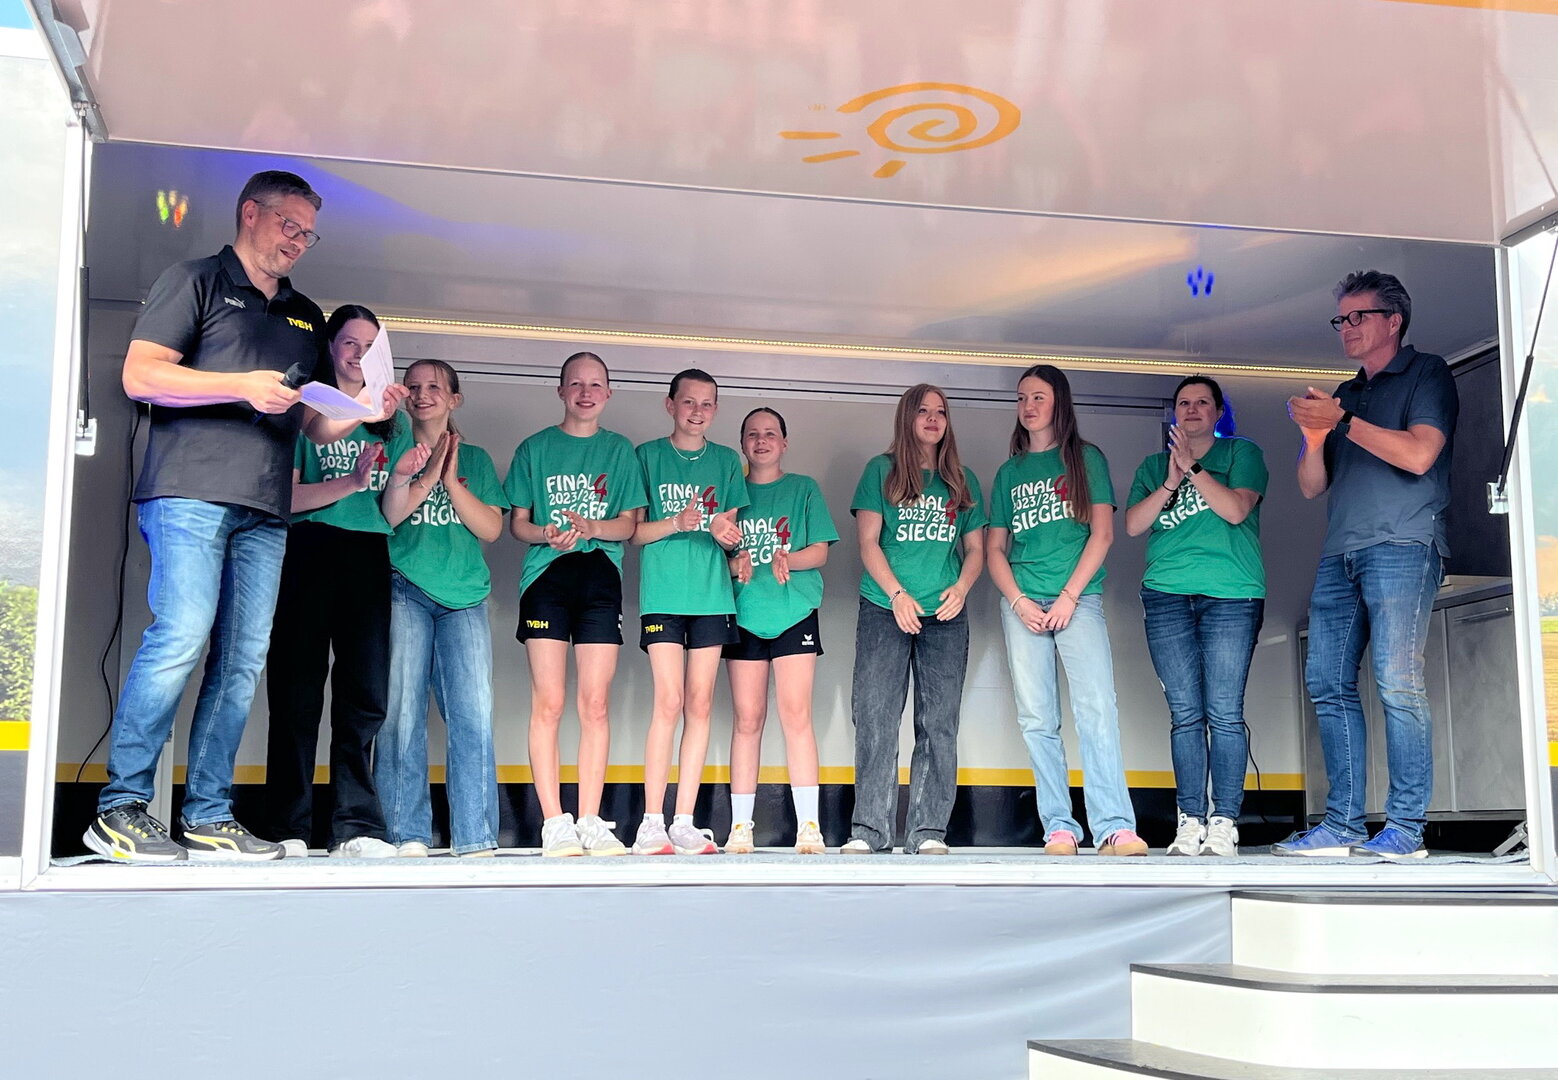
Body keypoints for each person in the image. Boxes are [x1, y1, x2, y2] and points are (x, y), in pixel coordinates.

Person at [85, 170, 405, 864]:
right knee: (181, 636)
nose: (298, 241)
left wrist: (363, 411)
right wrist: (240, 386)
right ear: (250, 213)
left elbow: (313, 424)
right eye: (289, 225)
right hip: (191, 494)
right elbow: (141, 375)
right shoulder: (195, 280)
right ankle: (120, 808)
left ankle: (207, 814)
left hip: (266, 511)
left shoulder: (306, 315)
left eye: (308, 233)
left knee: (241, 662)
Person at [1277, 270, 1457, 860]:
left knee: (1398, 682)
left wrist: (1342, 422)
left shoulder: (1427, 372)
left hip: (1404, 544)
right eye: (1341, 318)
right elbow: (1311, 486)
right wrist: (1313, 437)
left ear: (1393, 320)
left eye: (1359, 316)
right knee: (1326, 682)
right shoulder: (1345, 394)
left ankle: (1405, 828)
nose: (1346, 327)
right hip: (1341, 552)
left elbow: (1420, 454)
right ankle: (1343, 824)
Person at [986, 365, 1146, 857]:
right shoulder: (1010, 472)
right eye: (1022, 398)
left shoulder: (1085, 459)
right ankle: (1059, 827)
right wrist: (1018, 601)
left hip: (1077, 600)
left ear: (1059, 402)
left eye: (1038, 396)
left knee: (1096, 709)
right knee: (1037, 718)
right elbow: (995, 549)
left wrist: (1070, 596)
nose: (1028, 406)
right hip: (1023, 605)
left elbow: (1103, 534)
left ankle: (1114, 827)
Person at [264, 305, 406, 859]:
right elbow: (285, 496)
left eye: (370, 346)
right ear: (330, 346)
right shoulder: (309, 406)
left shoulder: (387, 421)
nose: (358, 354)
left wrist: (410, 475)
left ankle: (356, 826)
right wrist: (348, 483)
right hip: (308, 548)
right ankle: (288, 826)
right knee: (296, 691)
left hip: (368, 553)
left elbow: (389, 511)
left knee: (364, 693)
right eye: (349, 342)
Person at [504, 352, 646, 857]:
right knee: (549, 701)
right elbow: (517, 524)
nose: (586, 393)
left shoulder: (619, 450)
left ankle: (589, 819)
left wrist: (591, 527)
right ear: (561, 390)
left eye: (595, 384)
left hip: (600, 578)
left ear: (608, 393)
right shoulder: (535, 448)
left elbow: (629, 525)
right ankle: (553, 822)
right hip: (546, 578)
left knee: (595, 702)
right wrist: (545, 533)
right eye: (576, 384)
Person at [1125, 376, 1268, 857]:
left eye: (1202, 402)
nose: (1191, 409)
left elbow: (1235, 510)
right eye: (1183, 403)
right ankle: (1190, 820)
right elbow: (1133, 524)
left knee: (1224, 712)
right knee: (1185, 714)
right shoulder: (1152, 466)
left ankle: (1224, 821)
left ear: (1218, 412)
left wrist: (1193, 468)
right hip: (1166, 595)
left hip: (1231, 595)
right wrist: (1171, 478)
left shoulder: (1242, 453)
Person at [844, 384, 985, 855]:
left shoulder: (962, 480)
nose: (932, 419)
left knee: (938, 723)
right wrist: (897, 594)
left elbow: (976, 549)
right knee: (875, 718)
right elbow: (867, 543)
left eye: (940, 412)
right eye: (923, 411)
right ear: (907, 418)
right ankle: (870, 831)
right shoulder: (880, 471)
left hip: (944, 615)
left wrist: (961, 588)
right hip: (885, 609)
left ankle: (928, 832)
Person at [377, 360, 506, 857]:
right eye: (413, 386)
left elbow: (491, 528)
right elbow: (389, 518)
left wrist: (452, 480)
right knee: (401, 713)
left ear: (455, 399)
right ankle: (405, 833)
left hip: (465, 597)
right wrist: (427, 474)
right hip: (404, 587)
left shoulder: (474, 457)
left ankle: (475, 836)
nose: (422, 394)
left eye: (435, 387)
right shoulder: (392, 448)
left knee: (473, 715)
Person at [631, 369, 747, 856]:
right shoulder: (647, 456)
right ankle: (650, 823)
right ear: (670, 405)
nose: (697, 411)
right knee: (669, 701)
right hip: (663, 594)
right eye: (689, 402)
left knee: (699, 705)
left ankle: (683, 821)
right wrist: (677, 522)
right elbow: (634, 533)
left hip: (711, 597)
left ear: (715, 410)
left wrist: (726, 536)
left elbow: (732, 534)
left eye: (707, 404)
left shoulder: (726, 461)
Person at [722, 407, 838, 855]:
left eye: (770, 433)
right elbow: (717, 556)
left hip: (794, 611)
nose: (762, 440)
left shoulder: (803, 488)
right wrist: (735, 563)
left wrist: (788, 558)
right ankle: (740, 827)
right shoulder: (731, 493)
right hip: (744, 614)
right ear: (742, 444)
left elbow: (820, 551)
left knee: (796, 715)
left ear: (784, 443)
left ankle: (809, 825)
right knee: (747, 719)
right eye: (753, 434)